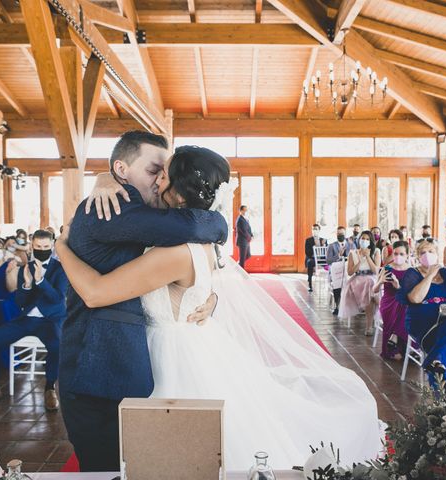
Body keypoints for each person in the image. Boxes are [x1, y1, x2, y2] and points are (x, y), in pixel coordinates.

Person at [55, 147, 383, 471]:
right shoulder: (198, 243)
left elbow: (97, 292)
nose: (156, 183)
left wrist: (62, 247)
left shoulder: (175, 253)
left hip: (172, 356)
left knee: (176, 454)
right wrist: (103, 178)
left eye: (163, 175)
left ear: (179, 193)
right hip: (185, 344)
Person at [58, 133, 228, 472]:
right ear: (122, 168)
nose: (160, 180)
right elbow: (199, 222)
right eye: (154, 170)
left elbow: (186, 261)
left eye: (165, 173)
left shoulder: (156, 223)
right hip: (95, 368)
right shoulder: (111, 208)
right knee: (107, 468)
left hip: (135, 363)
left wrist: (207, 297)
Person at [0, 230, 67, 411]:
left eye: (46, 247)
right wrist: (25, 285)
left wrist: (40, 281)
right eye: (38, 247)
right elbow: (20, 301)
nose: (42, 250)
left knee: (56, 345)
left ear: (52, 245)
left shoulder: (61, 269)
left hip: (50, 320)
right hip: (26, 319)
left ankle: (49, 388)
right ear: (32, 245)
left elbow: (57, 299)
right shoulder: (26, 267)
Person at [397, 238, 446, 396]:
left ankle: (435, 362)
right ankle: (439, 366)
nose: (427, 255)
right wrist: (429, 275)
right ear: (417, 256)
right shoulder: (412, 273)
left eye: (431, 251)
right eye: (423, 252)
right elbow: (415, 299)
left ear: (438, 254)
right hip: (423, 321)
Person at [339, 230, 381, 336]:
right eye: (363, 238)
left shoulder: (376, 251)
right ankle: (379, 304)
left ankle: (369, 326)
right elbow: (350, 272)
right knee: (369, 286)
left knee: (370, 283)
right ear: (359, 239)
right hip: (357, 279)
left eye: (367, 239)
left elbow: (376, 270)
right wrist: (360, 260)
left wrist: (367, 256)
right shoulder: (353, 252)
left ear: (370, 241)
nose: (364, 241)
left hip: (371, 278)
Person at [373, 240, 409, 360]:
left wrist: (398, 286)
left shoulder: (411, 270)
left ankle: (395, 338)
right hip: (388, 301)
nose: (398, 256)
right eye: (395, 253)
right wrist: (380, 281)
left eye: (401, 254)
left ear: (407, 255)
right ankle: (396, 341)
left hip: (403, 299)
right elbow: (374, 290)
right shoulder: (387, 268)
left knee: (404, 304)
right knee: (403, 306)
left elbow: (411, 293)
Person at [326, 226, 353, 315]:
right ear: (336, 234)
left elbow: (355, 257)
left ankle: (353, 305)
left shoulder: (351, 245)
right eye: (338, 234)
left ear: (345, 234)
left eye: (342, 234)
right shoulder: (331, 245)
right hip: (336, 270)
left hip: (348, 269)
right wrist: (338, 255)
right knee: (337, 282)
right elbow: (328, 260)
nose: (340, 235)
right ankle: (337, 306)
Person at [304, 224, 327, 293]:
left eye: (316, 229)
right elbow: (307, 252)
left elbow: (327, 252)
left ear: (319, 230)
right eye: (313, 229)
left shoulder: (323, 240)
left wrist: (323, 245)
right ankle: (310, 282)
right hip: (312, 258)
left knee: (330, 262)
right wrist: (315, 248)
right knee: (310, 262)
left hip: (322, 259)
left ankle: (330, 281)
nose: (314, 230)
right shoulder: (308, 240)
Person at [235, 205, 252, 269]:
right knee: (242, 258)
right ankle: (242, 272)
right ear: (240, 211)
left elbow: (249, 228)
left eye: (246, 210)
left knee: (248, 255)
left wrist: (251, 235)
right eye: (244, 210)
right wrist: (249, 237)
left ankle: (237, 266)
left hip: (246, 240)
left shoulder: (246, 219)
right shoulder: (239, 219)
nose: (245, 211)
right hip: (242, 241)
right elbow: (243, 231)